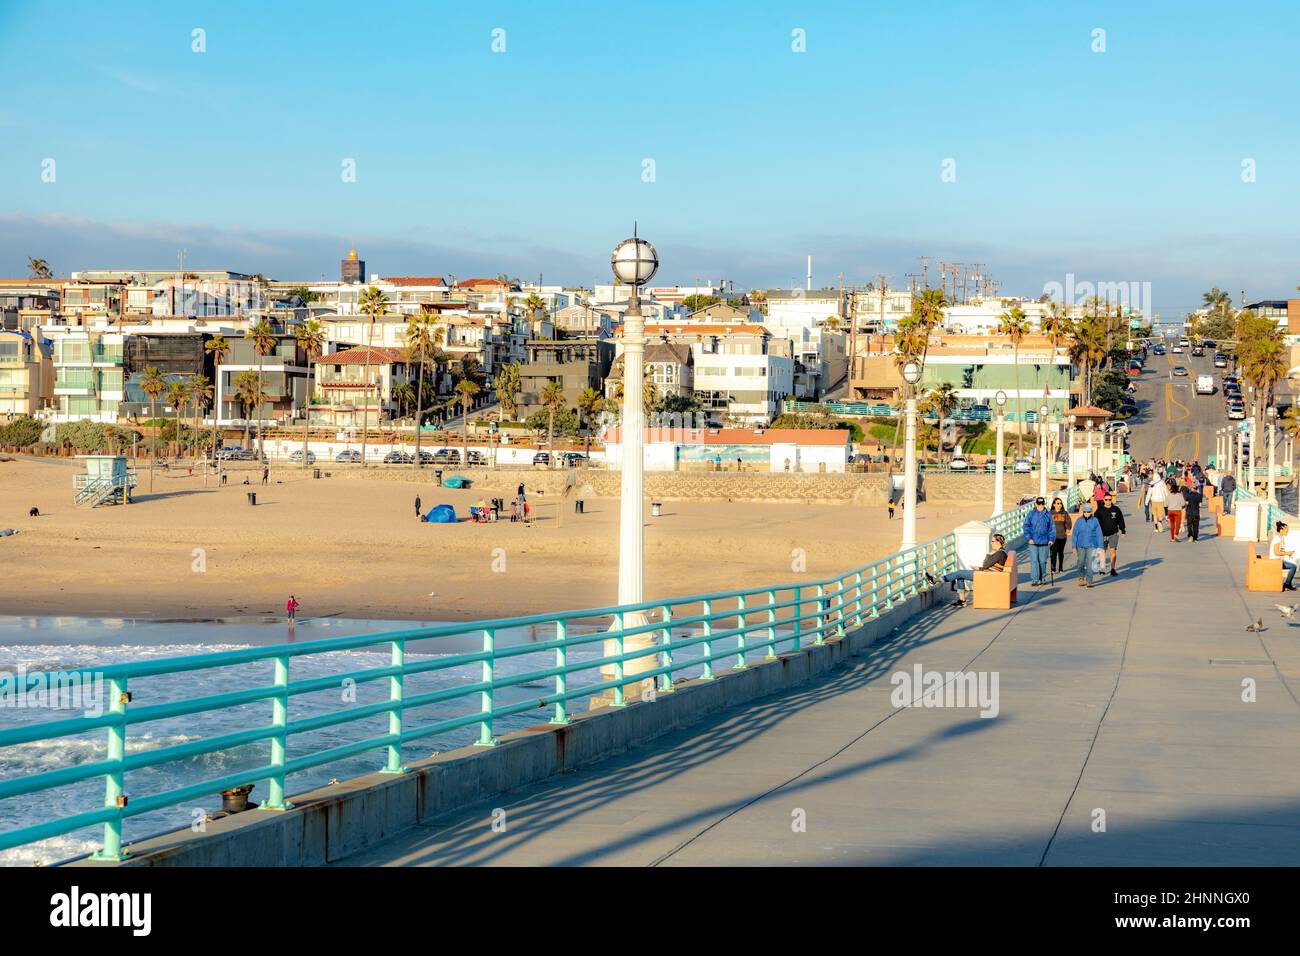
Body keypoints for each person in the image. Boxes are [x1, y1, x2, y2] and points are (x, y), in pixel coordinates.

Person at [945, 533, 1009, 607]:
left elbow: (985, 565)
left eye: (993, 541)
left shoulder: (999, 553)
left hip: (986, 576)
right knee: (960, 575)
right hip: (988, 574)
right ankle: (962, 601)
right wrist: (979, 568)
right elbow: (987, 566)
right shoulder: (1001, 553)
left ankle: (939, 580)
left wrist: (988, 555)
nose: (991, 543)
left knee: (959, 573)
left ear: (998, 542)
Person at [1022, 496, 1055, 585]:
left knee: (1043, 561)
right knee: (1034, 561)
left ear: (1044, 504)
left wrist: (1051, 539)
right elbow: (1026, 526)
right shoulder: (1031, 514)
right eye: (1039, 504)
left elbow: (1051, 528)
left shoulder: (1048, 514)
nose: (1040, 506)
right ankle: (1035, 579)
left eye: (1042, 504)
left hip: (1044, 542)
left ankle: (1043, 577)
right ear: (1036, 504)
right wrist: (1029, 538)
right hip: (1033, 542)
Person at [1072, 501, 1104, 588]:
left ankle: (1089, 581)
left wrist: (1100, 547)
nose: (1086, 513)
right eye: (1085, 511)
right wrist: (1073, 546)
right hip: (1080, 545)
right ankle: (1081, 577)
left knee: (1090, 564)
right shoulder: (1079, 521)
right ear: (1083, 512)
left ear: (1091, 512)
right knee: (1081, 562)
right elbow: (1075, 534)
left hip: (1092, 545)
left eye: (1088, 512)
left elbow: (1099, 534)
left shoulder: (1095, 521)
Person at [1095, 492, 1127, 576]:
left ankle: (1113, 569)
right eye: (1106, 499)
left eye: (1110, 499)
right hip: (1102, 535)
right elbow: (1094, 522)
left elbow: (1121, 520)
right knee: (1102, 552)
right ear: (1103, 500)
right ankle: (1102, 569)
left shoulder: (1116, 509)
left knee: (1113, 551)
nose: (1108, 501)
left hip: (1113, 534)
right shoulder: (1099, 510)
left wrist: (1123, 530)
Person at [1271, 521, 1298, 591]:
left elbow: (1280, 551)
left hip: (1278, 560)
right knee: (1293, 566)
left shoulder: (1280, 537)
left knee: (1293, 566)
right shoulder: (1277, 538)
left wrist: (1288, 553)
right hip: (1275, 561)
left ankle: (1287, 583)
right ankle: (1287, 584)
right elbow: (1276, 552)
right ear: (1281, 530)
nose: (1287, 532)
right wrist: (1287, 553)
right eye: (1286, 530)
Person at [1049, 497, 1072, 574]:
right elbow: (1046, 523)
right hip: (1053, 537)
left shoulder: (1064, 513)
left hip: (1062, 536)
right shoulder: (1050, 513)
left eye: (1060, 503)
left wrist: (1068, 528)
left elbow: (1068, 521)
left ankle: (1060, 567)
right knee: (1053, 553)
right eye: (1058, 503)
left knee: (1060, 552)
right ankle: (1053, 568)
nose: (1060, 505)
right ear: (1054, 504)